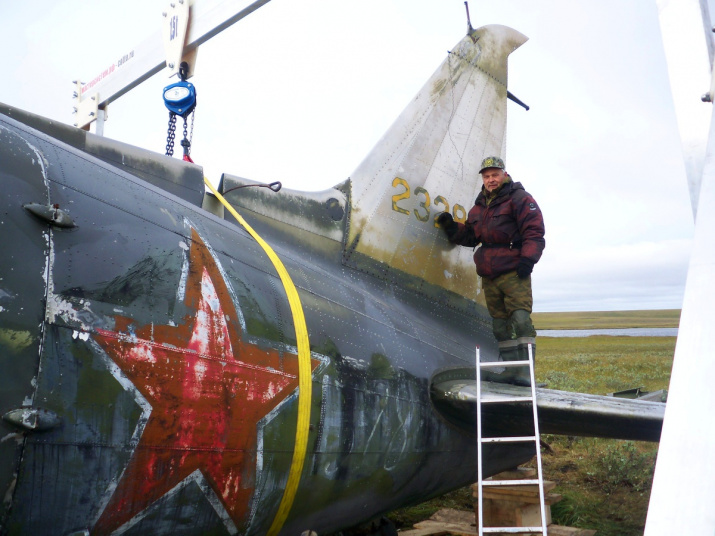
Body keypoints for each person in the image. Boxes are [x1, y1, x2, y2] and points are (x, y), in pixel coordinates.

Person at [437, 156, 545, 382]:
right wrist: (450, 227)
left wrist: (528, 260)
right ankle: (511, 371)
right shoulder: (478, 208)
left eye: (495, 175)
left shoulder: (520, 199)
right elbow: (470, 236)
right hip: (489, 274)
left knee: (521, 319)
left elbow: (534, 232)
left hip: (514, 270)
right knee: (499, 325)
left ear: (504, 174)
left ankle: (526, 374)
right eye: (486, 176)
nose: (491, 180)